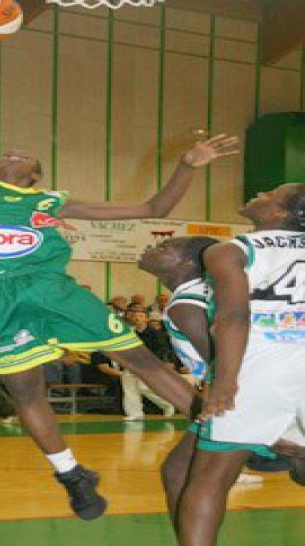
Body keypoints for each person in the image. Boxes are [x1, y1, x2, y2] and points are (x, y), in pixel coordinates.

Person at [0, 5, 239, 520]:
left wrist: (186, 166)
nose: (12, 153)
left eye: (25, 159)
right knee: (26, 390)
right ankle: (72, 473)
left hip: (46, 286)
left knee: (142, 360)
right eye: (5, 154)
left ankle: (229, 437)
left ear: (36, 177)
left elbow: (154, 210)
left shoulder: (51, 203)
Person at [141, 184, 305, 545]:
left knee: (209, 480)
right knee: (178, 468)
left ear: (279, 213)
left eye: (269, 194)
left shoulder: (232, 251)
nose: (258, 193)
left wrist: (225, 382)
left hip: (257, 369)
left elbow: (232, 316)